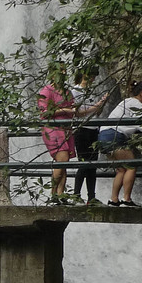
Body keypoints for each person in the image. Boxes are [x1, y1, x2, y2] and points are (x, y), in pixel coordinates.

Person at [38, 66, 106, 201]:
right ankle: (53, 194)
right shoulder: (46, 91)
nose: (63, 74)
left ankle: (60, 194)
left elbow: (75, 110)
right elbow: (44, 112)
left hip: (66, 129)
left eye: (64, 72)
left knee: (65, 162)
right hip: (53, 128)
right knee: (62, 160)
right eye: (60, 72)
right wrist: (65, 109)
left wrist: (98, 105)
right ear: (53, 75)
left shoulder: (67, 92)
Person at [97, 81, 142, 207]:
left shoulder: (126, 101)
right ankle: (126, 200)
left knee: (121, 170)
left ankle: (114, 200)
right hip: (115, 136)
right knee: (131, 166)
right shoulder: (136, 104)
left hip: (103, 136)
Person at [69, 67, 108, 205]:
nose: (93, 79)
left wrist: (102, 103)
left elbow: (97, 112)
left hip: (93, 129)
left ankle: (91, 197)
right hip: (81, 129)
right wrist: (96, 106)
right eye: (91, 76)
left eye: (94, 76)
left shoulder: (92, 91)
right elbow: (77, 112)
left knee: (93, 165)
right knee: (84, 163)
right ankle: (76, 195)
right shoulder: (74, 91)